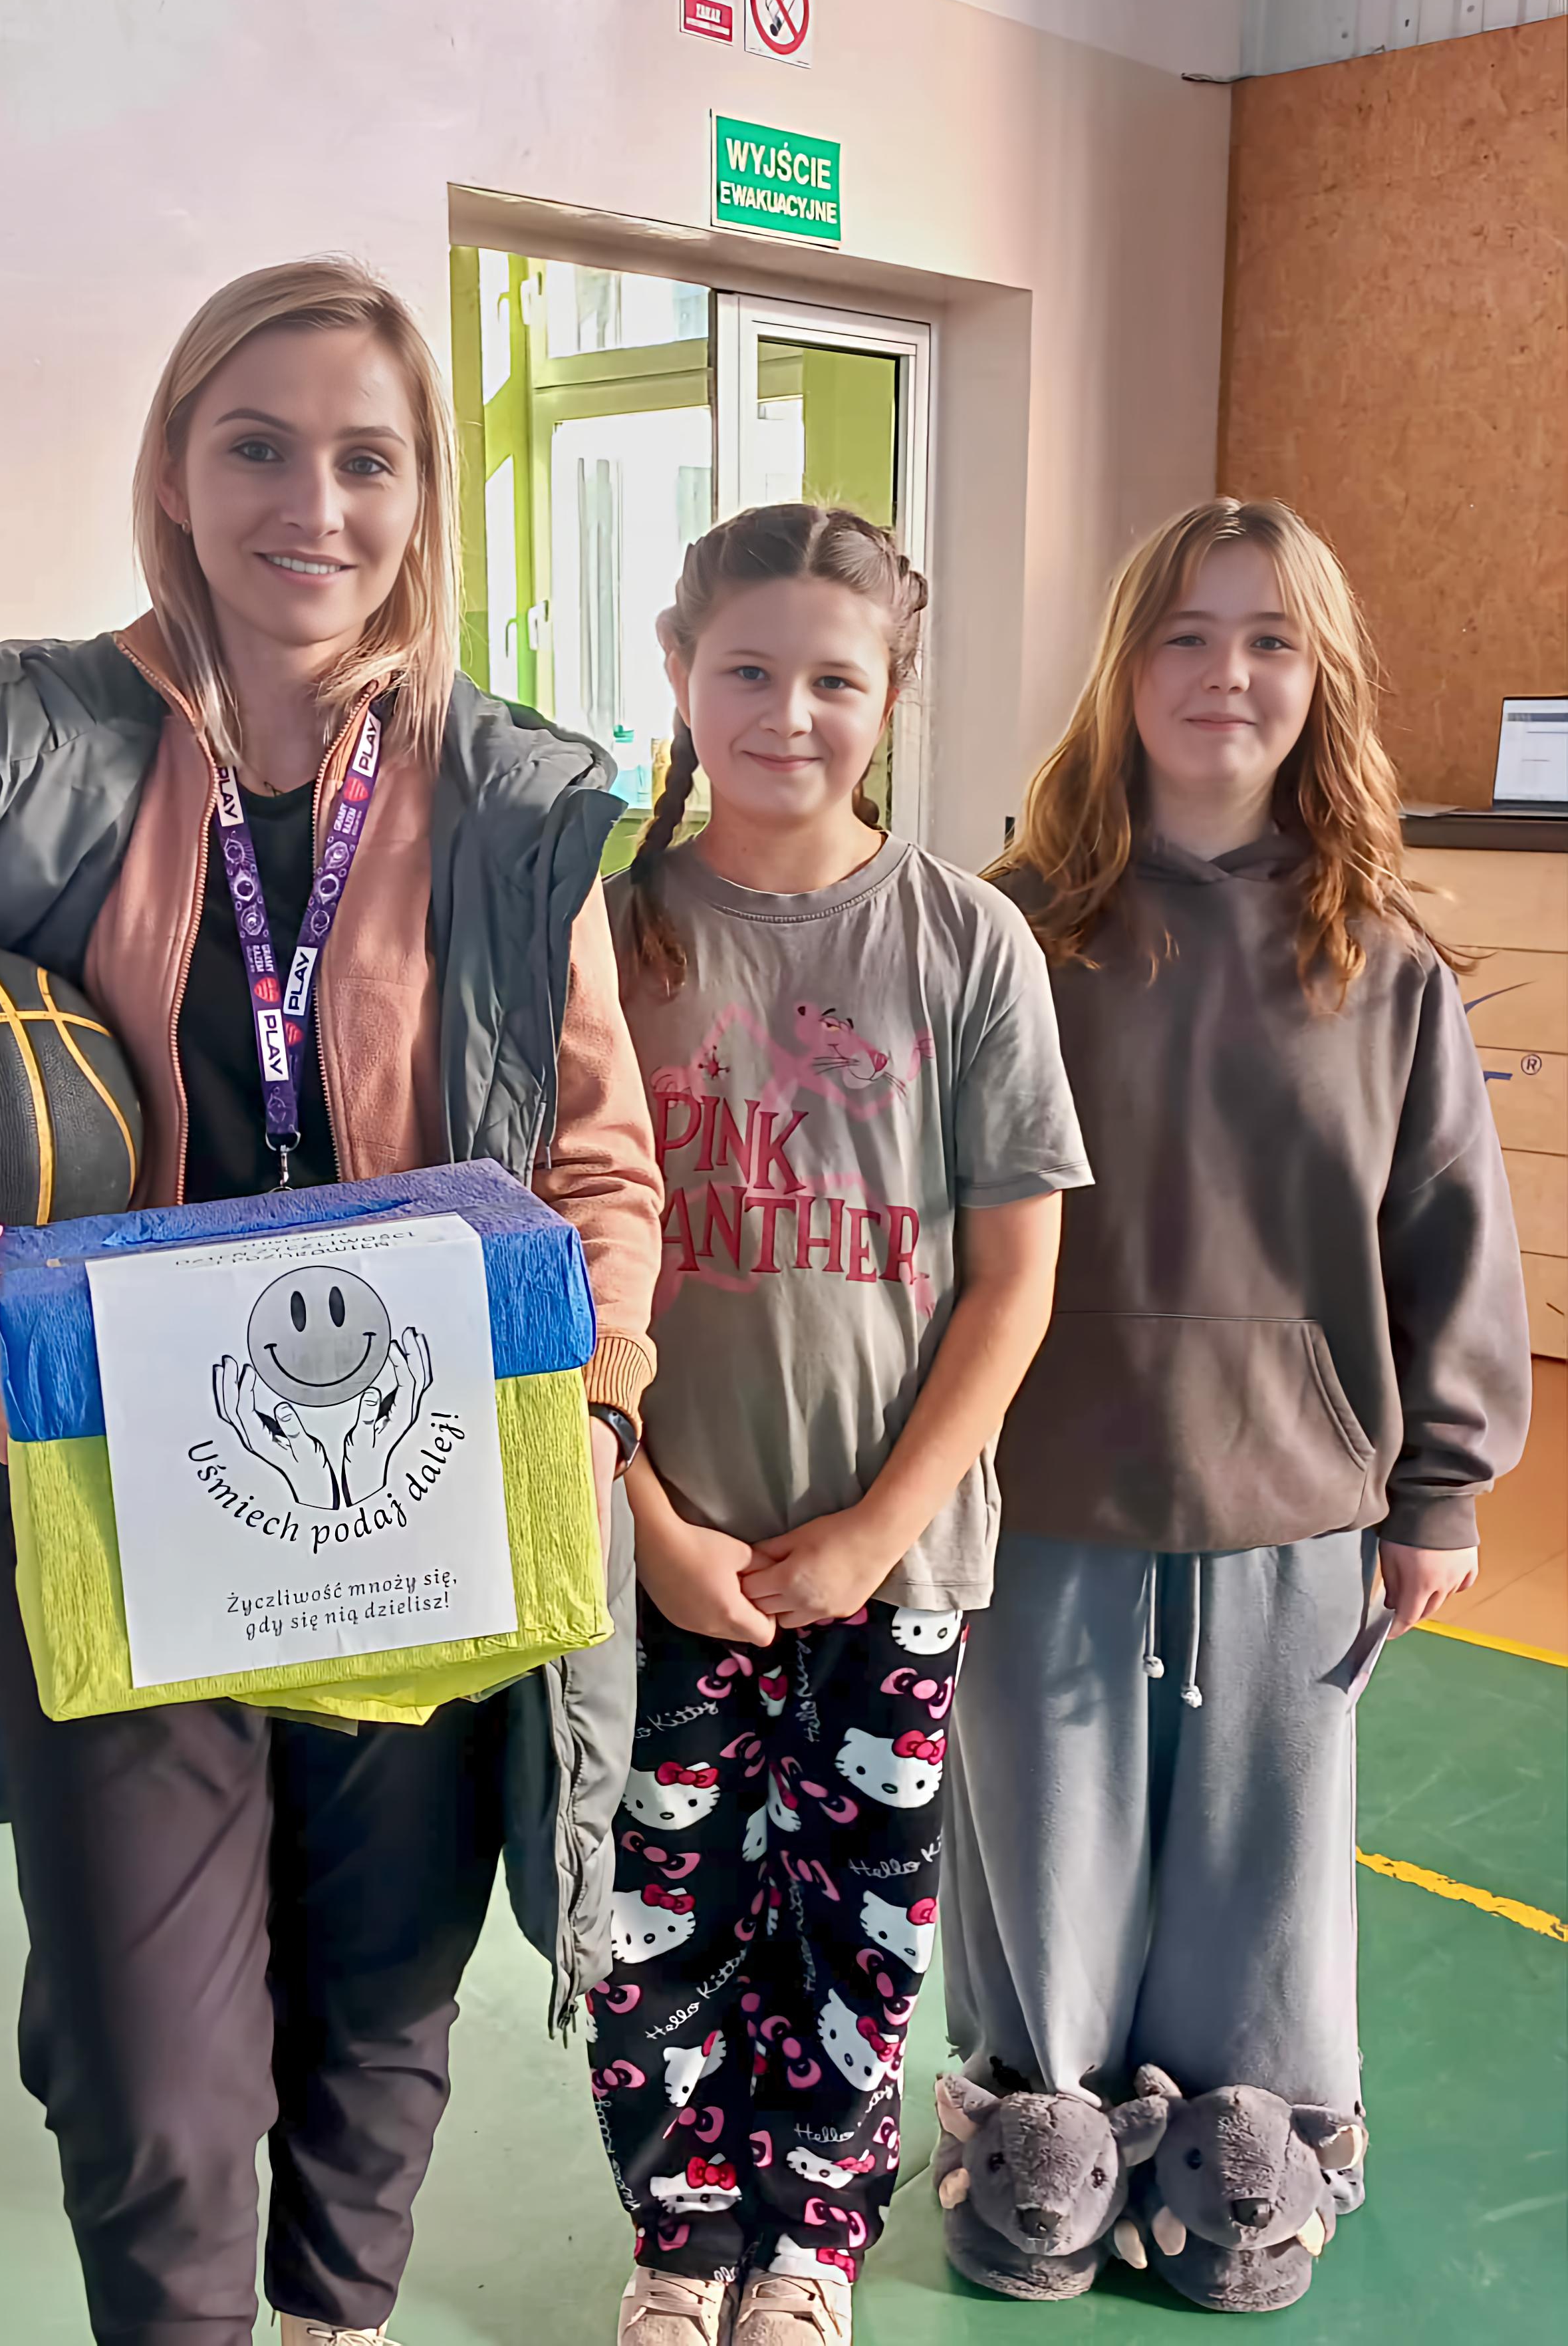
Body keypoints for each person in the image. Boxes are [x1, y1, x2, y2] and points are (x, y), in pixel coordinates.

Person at [0, 259, 665, 2346]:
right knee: (152, 2075)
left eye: (367, 459)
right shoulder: (29, 741)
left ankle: (336, 2321)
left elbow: (597, 1161)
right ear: (177, 472)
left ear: (426, 491)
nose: (314, 504)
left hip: (414, 1487)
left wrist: (596, 1395)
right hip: (117, 1497)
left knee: (383, 2000)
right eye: (258, 448)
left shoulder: (507, 799)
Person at [941, 500, 1529, 2285]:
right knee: (1043, 1825)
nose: (1225, 674)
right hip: (1046, 1486)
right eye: (1185, 636)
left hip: (1296, 1498)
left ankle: (1245, 2142)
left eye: (1269, 639)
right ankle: (1039, 2127)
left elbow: (1448, 1233)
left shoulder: (1383, 963)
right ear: (1124, 672)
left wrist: (1439, 1485)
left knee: (1264, 1852)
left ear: (1319, 678)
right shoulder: (1009, 936)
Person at [587, 505, 1093, 2346]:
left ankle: (810, 2244)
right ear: (679, 671)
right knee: (656, 1917)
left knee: (862, 1925)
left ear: (892, 695)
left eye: (833, 680)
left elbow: (1013, 1283)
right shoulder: (606, 935)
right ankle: (680, 2238)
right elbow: (545, 1259)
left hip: (898, 1562)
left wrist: (880, 1530)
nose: (785, 713)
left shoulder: (968, 943)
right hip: (657, 1551)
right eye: (746, 669)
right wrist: (650, 1521)